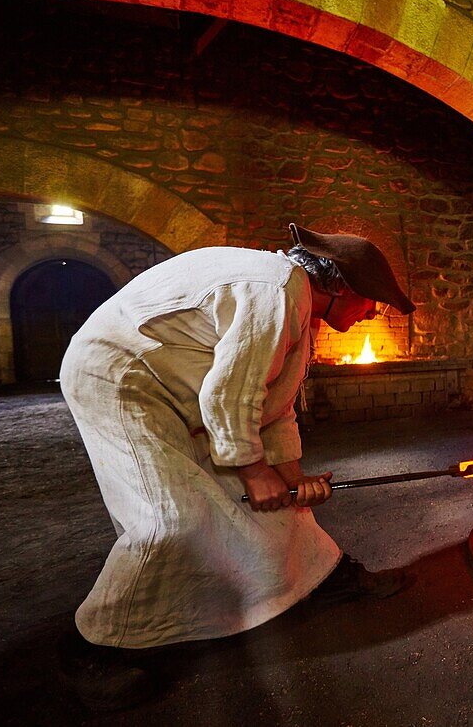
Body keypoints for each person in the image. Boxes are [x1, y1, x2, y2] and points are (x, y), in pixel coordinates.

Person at [57, 223, 416, 710]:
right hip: (119, 380)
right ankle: (96, 647)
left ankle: (323, 579)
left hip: (174, 392)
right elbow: (229, 395)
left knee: (267, 500)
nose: (373, 312)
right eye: (370, 300)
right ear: (339, 286)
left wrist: (291, 478)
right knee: (172, 520)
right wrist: (253, 471)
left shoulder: (295, 301)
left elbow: (275, 404)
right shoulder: (273, 292)